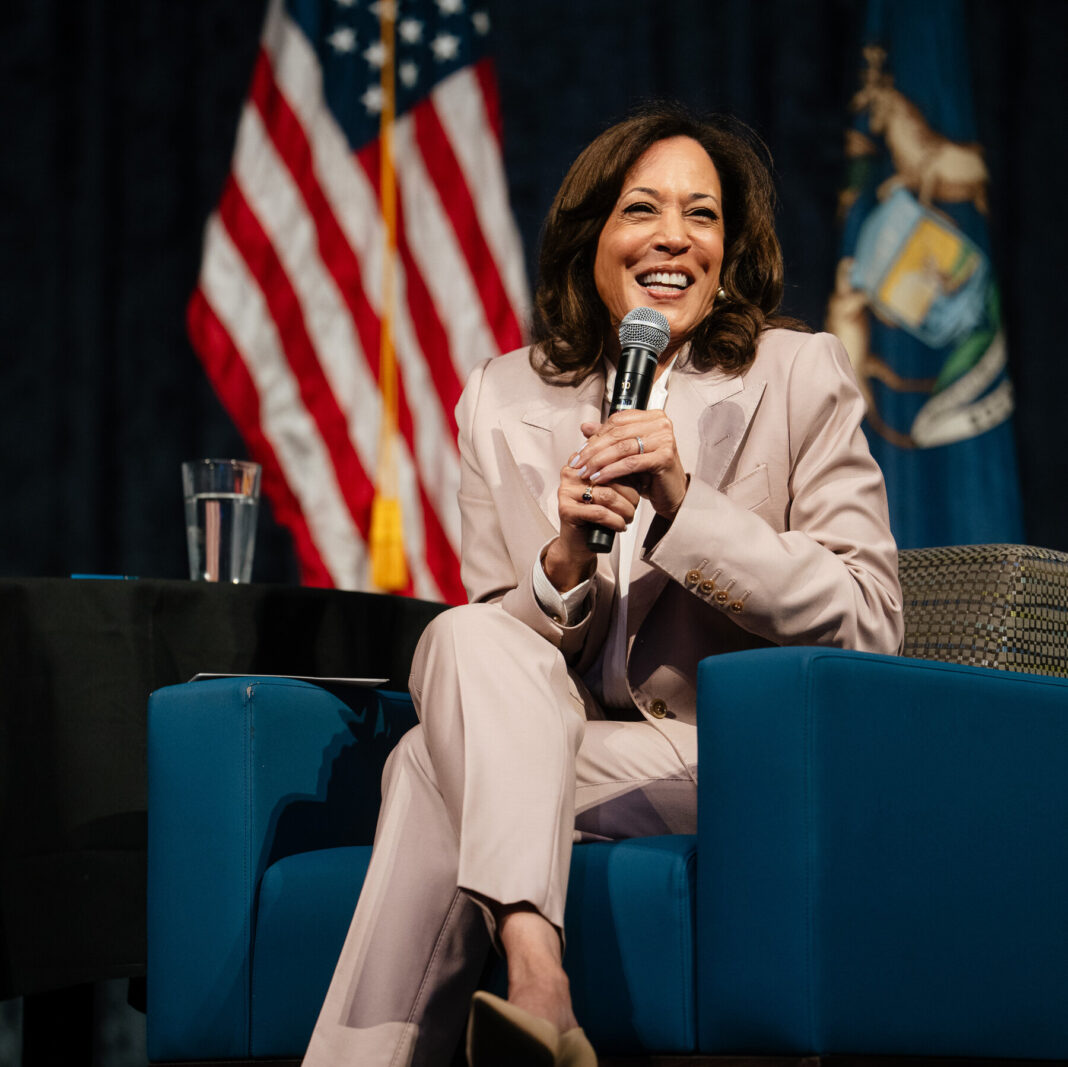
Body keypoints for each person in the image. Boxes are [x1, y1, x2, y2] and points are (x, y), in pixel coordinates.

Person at [302, 103, 903, 1067]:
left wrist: (684, 505)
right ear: (595, 239)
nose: (674, 236)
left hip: (735, 765)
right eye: (643, 209)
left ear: (729, 246)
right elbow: (500, 656)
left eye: (703, 215)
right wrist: (565, 565)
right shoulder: (500, 397)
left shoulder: (799, 374)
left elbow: (871, 622)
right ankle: (540, 985)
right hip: (566, 745)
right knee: (462, 642)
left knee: (425, 766)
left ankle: (517, 993)